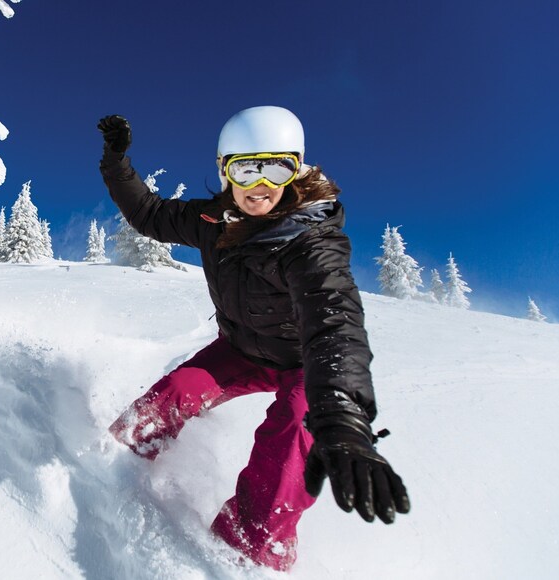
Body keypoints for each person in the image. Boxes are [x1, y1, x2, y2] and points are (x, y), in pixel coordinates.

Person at [97, 106, 410, 571]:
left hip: (303, 363)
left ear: (295, 170)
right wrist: (116, 163)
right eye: (246, 170)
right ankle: (113, 464)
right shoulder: (212, 220)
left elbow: (335, 321)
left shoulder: (309, 240)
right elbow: (150, 214)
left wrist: (343, 410)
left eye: (276, 169)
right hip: (240, 351)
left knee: (296, 432)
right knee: (174, 394)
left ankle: (254, 545)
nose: (260, 186)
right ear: (226, 170)